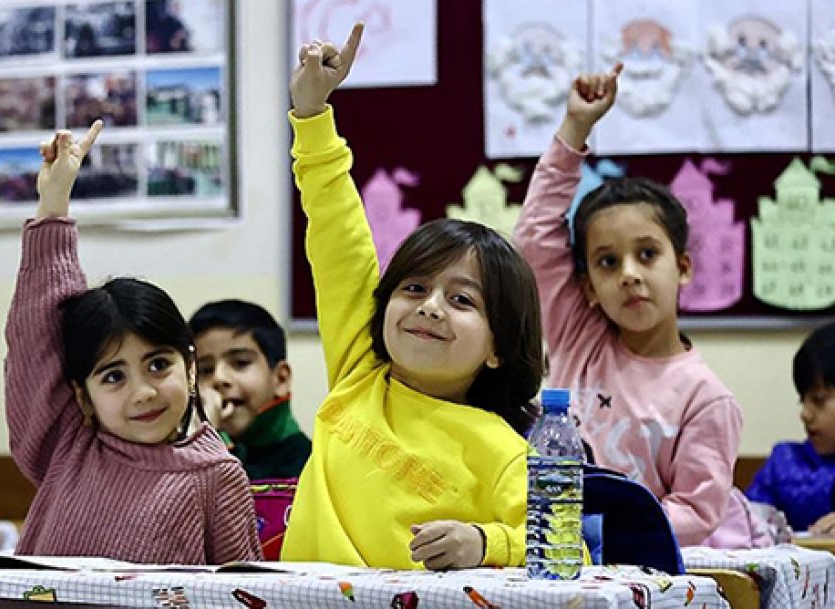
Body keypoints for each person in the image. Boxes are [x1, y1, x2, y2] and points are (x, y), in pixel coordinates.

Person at [281, 24, 546, 570]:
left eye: (463, 301)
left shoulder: (503, 450)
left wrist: (485, 542)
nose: (430, 307)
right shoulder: (361, 372)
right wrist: (311, 116)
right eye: (416, 288)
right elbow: (339, 236)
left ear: (498, 348)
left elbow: (570, 550)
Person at [512, 64, 750, 548]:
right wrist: (575, 128)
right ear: (589, 287)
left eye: (647, 254)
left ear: (682, 266)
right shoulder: (579, 335)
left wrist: (599, 531)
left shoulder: (706, 399)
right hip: (556, 555)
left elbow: (697, 511)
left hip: (639, 575)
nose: (629, 274)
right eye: (607, 261)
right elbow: (535, 238)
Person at [4, 121, 261, 564]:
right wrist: (53, 206)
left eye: (158, 365)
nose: (142, 392)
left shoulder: (217, 476)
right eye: (113, 376)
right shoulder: (68, 445)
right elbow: (36, 340)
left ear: (192, 368)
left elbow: (244, 604)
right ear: (83, 397)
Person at [190, 300, 310, 480]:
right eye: (205, 370)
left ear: (281, 379)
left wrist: (208, 442)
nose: (219, 378)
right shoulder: (180, 451)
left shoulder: (309, 463)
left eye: (240, 363)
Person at [747, 321, 835, 533]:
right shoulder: (784, 464)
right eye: (801, 401)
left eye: (818, 399)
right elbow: (745, 522)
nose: (805, 414)